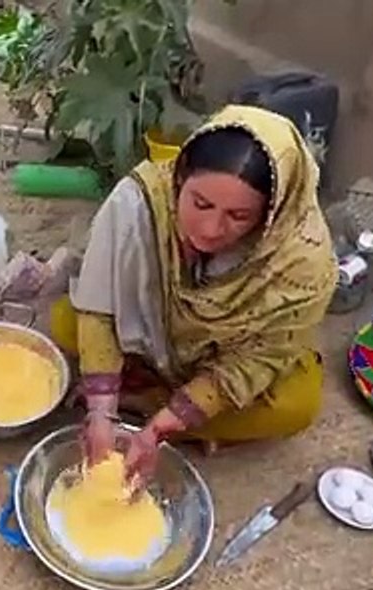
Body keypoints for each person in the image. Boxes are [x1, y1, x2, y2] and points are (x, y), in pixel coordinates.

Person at [51, 105, 337, 487]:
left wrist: (160, 428)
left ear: (272, 213)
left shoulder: (301, 260)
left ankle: (148, 404)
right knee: (66, 322)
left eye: (239, 216)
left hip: (224, 356)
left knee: (297, 405)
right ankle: (131, 402)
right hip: (151, 338)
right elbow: (100, 302)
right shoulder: (142, 202)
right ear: (180, 176)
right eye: (200, 203)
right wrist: (101, 415)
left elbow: (257, 360)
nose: (210, 227)